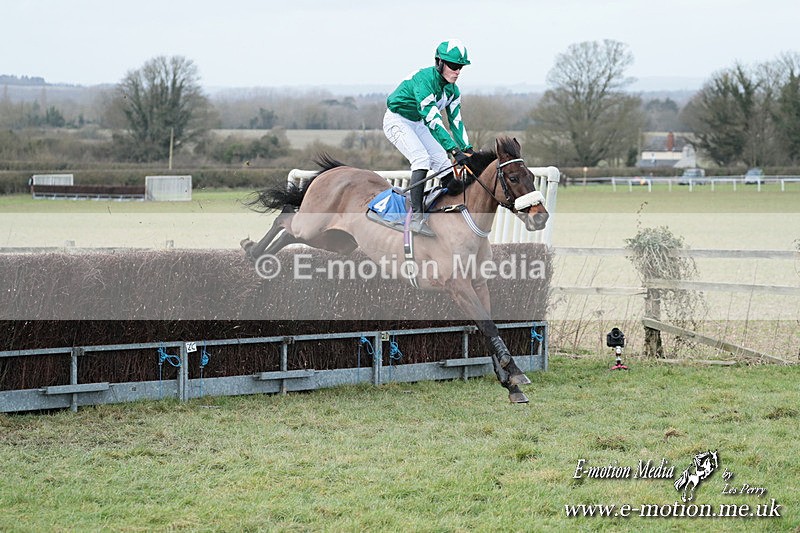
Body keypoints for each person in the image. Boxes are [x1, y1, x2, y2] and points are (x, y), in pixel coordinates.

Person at [383, 38, 474, 236]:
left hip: (419, 123)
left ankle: (446, 211)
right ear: (439, 63)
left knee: (442, 162)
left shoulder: (453, 91)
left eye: (461, 67)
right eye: (454, 66)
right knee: (421, 158)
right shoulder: (425, 82)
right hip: (397, 120)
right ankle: (416, 216)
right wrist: (454, 150)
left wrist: (466, 149)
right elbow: (433, 120)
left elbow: (456, 121)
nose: (458, 71)